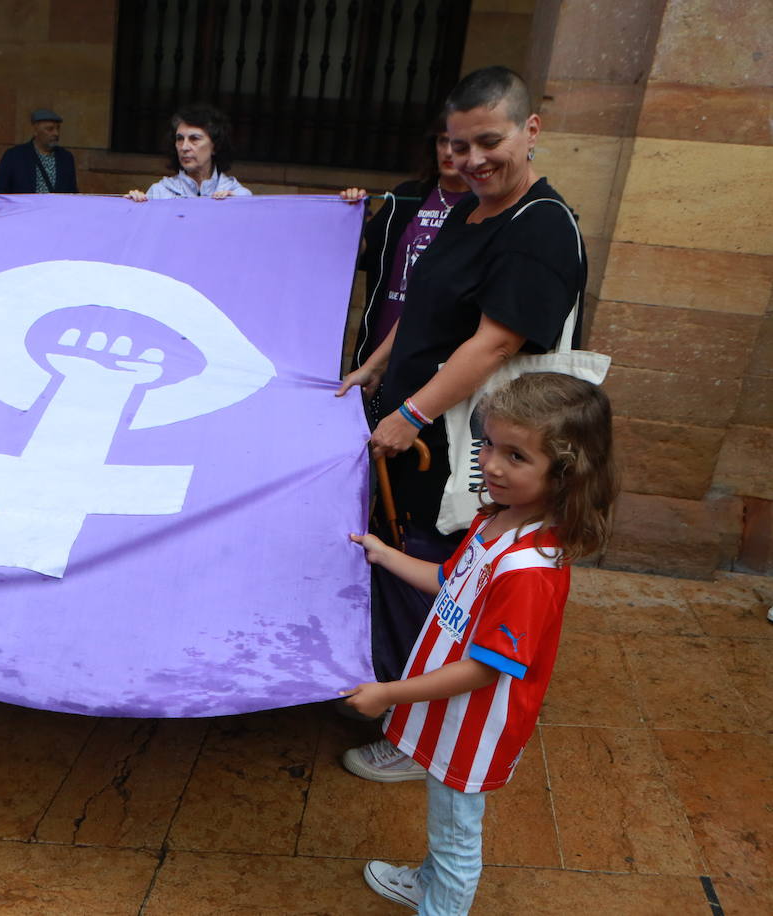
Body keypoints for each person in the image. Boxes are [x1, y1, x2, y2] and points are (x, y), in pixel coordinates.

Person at [335, 67, 586, 781]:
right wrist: (376, 368)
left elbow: (496, 341)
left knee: (443, 583)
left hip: (460, 443)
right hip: (419, 435)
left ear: (530, 131)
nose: (474, 159)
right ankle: (390, 691)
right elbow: (423, 307)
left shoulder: (540, 227)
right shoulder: (465, 209)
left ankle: (420, 735)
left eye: (489, 141)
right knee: (403, 560)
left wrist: (411, 415)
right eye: (459, 144)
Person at [343, 372, 618, 914]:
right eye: (489, 443)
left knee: (455, 838)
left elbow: (484, 670)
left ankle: (439, 904)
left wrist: (387, 693)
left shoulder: (529, 570)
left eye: (516, 456)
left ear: (565, 475)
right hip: (447, 715)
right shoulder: (495, 521)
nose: (491, 463)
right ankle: (428, 884)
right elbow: (450, 580)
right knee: (444, 824)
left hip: (473, 725)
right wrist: (384, 554)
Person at [340, 116, 471, 375]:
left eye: (458, 145)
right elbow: (365, 253)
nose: (447, 152)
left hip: (438, 365)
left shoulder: (484, 208)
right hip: (377, 351)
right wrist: (351, 217)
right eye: (442, 141)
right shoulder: (407, 195)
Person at [125, 103, 251, 200]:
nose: (184, 147)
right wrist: (133, 207)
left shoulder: (238, 195)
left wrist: (235, 208)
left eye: (194, 139)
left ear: (215, 146)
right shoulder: (159, 193)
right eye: (179, 139)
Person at [0, 108, 78, 194]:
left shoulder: (66, 158)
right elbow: (0, 191)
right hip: (25, 207)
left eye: (58, 128)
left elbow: (72, 193)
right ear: (35, 131)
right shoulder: (14, 156)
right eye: (50, 129)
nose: (56, 133)